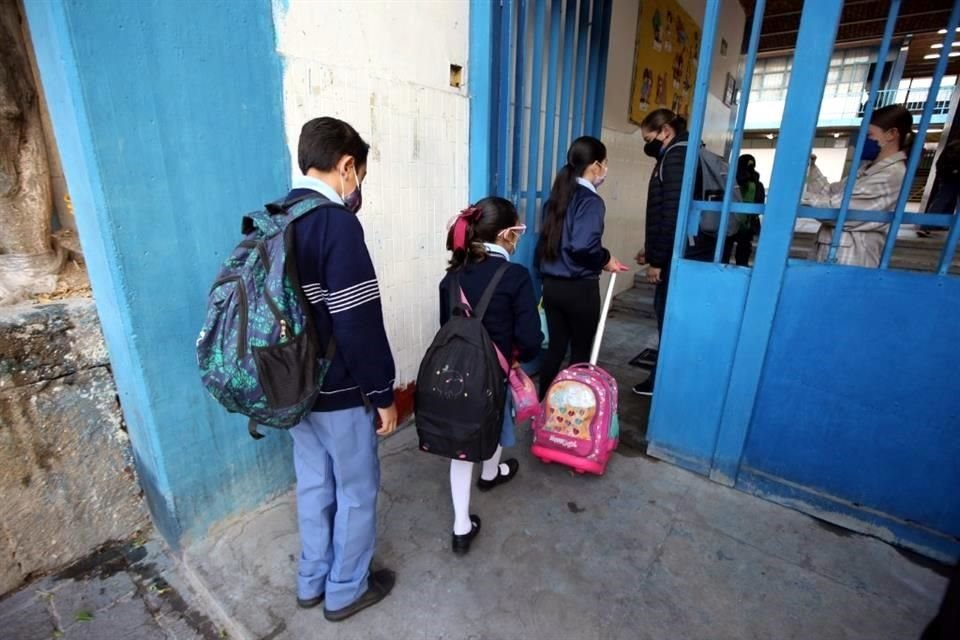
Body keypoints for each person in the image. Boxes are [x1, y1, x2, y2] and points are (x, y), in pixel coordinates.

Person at [287, 117, 398, 622]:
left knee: (313, 484)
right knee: (355, 489)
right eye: (360, 176)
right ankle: (345, 589)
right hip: (339, 390)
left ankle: (311, 580)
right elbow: (358, 323)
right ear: (346, 166)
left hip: (293, 387)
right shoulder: (336, 224)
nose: (357, 189)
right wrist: (381, 393)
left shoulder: (277, 217)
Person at [439, 197, 542, 555]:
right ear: (505, 235)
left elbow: (446, 329)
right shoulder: (515, 276)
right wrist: (518, 359)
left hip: (456, 374)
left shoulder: (450, 278)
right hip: (497, 373)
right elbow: (530, 340)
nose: (519, 238)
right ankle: (489, 474)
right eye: (518, 231)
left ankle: (461, 526)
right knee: (498, 418)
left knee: (461, 447)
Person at [537, 136, 627, 398]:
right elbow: (583, 247)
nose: (605, 170)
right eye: (605, 164)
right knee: (580, 353)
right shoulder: (590, 201)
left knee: (555, 349)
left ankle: (544, 411)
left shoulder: (556, 199)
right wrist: (606, 258)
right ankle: (570, 417)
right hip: (579, 290)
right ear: (596, 165)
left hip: (552, 287)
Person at [632, 108, 713, 397]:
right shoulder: (681, 153)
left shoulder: (677, 156)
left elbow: (673, 215)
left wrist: (657, 260)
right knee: (669, 319)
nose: (647, 143)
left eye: (649, 136)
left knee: (668, 319)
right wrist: (650, 248)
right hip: (683, 252)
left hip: (679, 257)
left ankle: (662, 384)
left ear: (666, 130)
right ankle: (664, 379)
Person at [803, 104, 913, 267]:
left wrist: (795, 197)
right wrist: (812, 167)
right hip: (836, 252)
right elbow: (831, 193)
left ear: (892, 134)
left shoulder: (892, 174)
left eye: (869, 135)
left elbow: (838, 210)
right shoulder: (867, 168)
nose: (862, 141)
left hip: (851, 256)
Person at [722, 154, 765, 266]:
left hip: (731, 220)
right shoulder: (757, 183)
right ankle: (741, 269)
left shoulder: (732, 180)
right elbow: (760, 204)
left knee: (725, 249)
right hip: (748, 223)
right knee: (743, 251)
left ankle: (723, 268)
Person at [920, 138, 960, 236]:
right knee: (944, 202)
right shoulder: (954, 147)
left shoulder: (952, 146)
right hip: (953, 177)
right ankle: (931, 225)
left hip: (948, 177)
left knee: (943, 201)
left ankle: (932, 225)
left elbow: (939, 163)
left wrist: (942, 175)